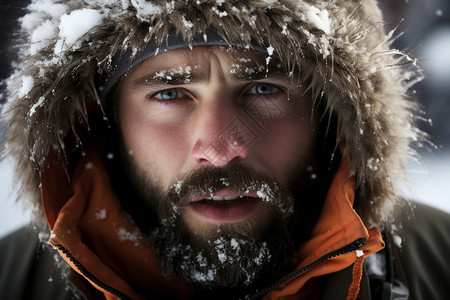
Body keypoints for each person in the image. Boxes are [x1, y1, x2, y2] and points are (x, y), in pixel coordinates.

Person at [0, 0, 449, 299]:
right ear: (102, 120)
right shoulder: (12, 277)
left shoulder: (439, 260)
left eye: (262, 88)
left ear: (334, 116)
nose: (219, 148)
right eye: (170, 94)